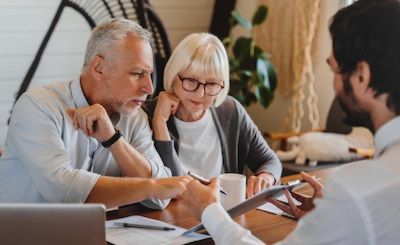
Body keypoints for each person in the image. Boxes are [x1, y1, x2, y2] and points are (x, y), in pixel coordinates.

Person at [181, 0, 400, 244]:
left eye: (335, 70)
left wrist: (210, 211)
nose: (334, 85)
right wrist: (330, 219)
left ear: (361, 75)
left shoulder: (359, 192)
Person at [0, 18, 191, 209]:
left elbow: (161, 199)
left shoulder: (135, 117)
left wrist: (114, 140)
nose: (149, 88)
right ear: (99, 68)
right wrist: (152, 187)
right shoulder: (37, 106)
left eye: (149, 75)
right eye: (137, 74)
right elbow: (63, 191)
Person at [144, 33, 282, 198]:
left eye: (211, 84)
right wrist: (159, 124)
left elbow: (270, 161)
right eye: (191, 80)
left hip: (221, 215)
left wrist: (265, 178)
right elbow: (167, 186)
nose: (200, 93)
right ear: (173, 77)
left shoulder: (229, 110)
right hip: (171, 217)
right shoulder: (147, 114)